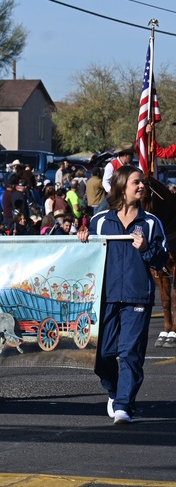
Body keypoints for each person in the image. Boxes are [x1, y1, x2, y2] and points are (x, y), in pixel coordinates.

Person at [79, 166, 168, 424]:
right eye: (136, 182)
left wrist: (146, 248)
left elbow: (161, 260)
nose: (141, 186)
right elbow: (85, 259)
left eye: (142, 183)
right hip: (105, 297)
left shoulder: (151, 223)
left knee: (130, 353)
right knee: (102, 355)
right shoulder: (101, 221)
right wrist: (83, 240)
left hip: (137, 297)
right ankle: (115, 391)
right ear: (121, 186)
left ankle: (123, 407)